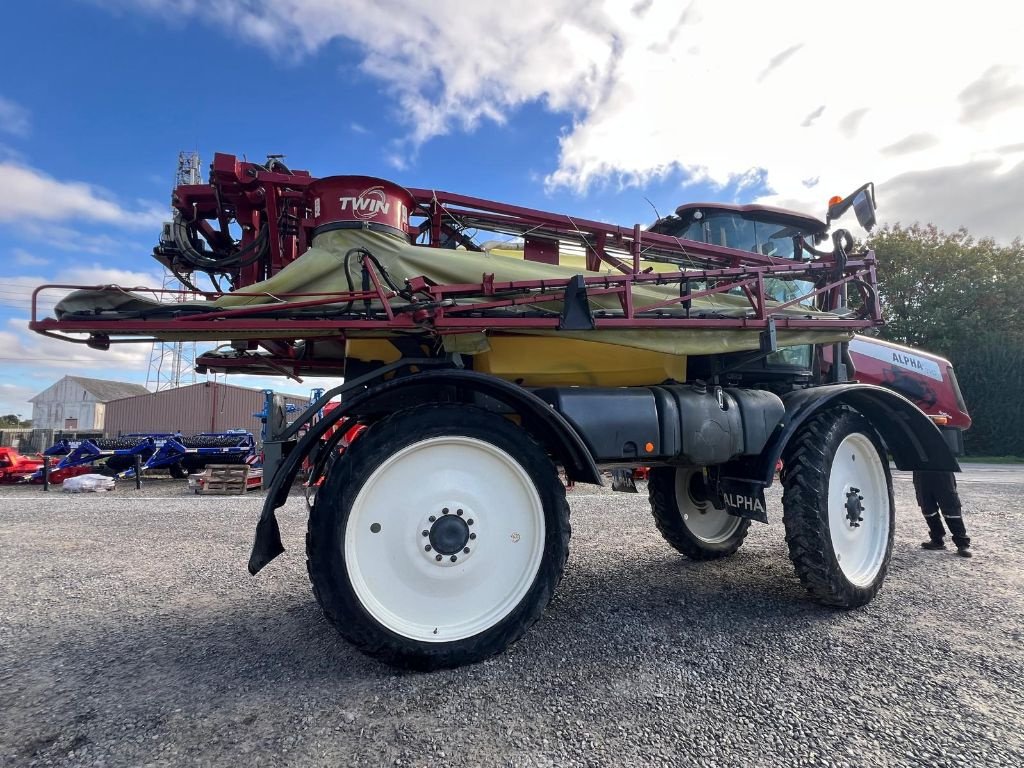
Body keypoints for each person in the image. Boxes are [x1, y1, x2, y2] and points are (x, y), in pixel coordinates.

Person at [912, 470, 972, 557]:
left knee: (951, 507)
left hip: (942, 469)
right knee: (927, 507)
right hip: (920, 471)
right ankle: (937, 540)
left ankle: (962, 544)